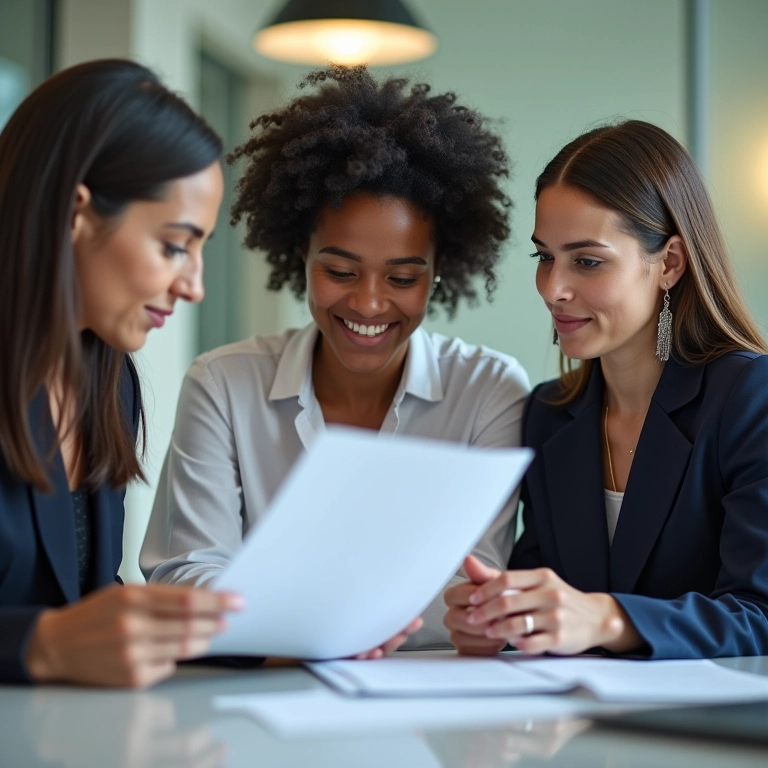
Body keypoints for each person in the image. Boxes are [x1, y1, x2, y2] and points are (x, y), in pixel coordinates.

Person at [140, 65, 531, 650]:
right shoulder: (222, 384)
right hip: (261, 699)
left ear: (439, 269)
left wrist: (290, 617)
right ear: (301, 251)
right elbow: (186, 570)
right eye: (340, 271)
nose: (369, 303)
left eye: (402, 277)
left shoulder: (489, 390)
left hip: (433, 706)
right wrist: (318, 633)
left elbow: (474, 582)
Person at [444, 120, 768, 659]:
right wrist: (500, 620)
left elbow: (760, 615)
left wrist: (607, 618)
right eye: (544, 257)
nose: (553, 288)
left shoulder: (749, 398)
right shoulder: (549, 415)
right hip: (582, 733)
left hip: (715, 734)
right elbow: (544, 600)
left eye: (587, 261)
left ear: (668, 264)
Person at [0, 59, 241, 687]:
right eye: (173, 245)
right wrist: (40, 644)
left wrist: (260, 640)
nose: (194, 286)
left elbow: (92, 608)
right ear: (76, 213)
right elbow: (60, 635)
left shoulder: (109, 382)